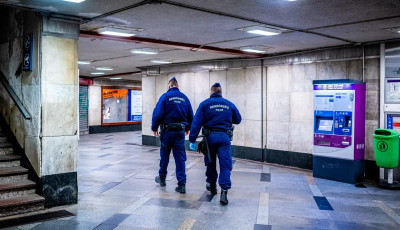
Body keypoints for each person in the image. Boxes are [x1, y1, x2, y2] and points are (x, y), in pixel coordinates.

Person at [189, 83, 242, 204]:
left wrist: (192, 139)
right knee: (225, 164)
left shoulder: (205, 104)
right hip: (224, 138)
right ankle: (224, 192)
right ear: (221, 93)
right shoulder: (229, 104)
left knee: (210, 162)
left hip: (210, 138)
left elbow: (196, 123)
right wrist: (226, 118)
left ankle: (212, 185)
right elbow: (238, 119)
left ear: (211, 92)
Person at [152, 77, 194, 193]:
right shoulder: (185, 98)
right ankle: (182, 184)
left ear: (169, 86)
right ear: (177, 86)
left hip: (167, 131)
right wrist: (188, 128)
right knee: (180, 157)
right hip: (180, 132)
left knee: (164, 155)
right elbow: (191, 115)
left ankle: (162, 178)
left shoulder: (165, 96)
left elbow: (157, 114)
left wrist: (154, 128)